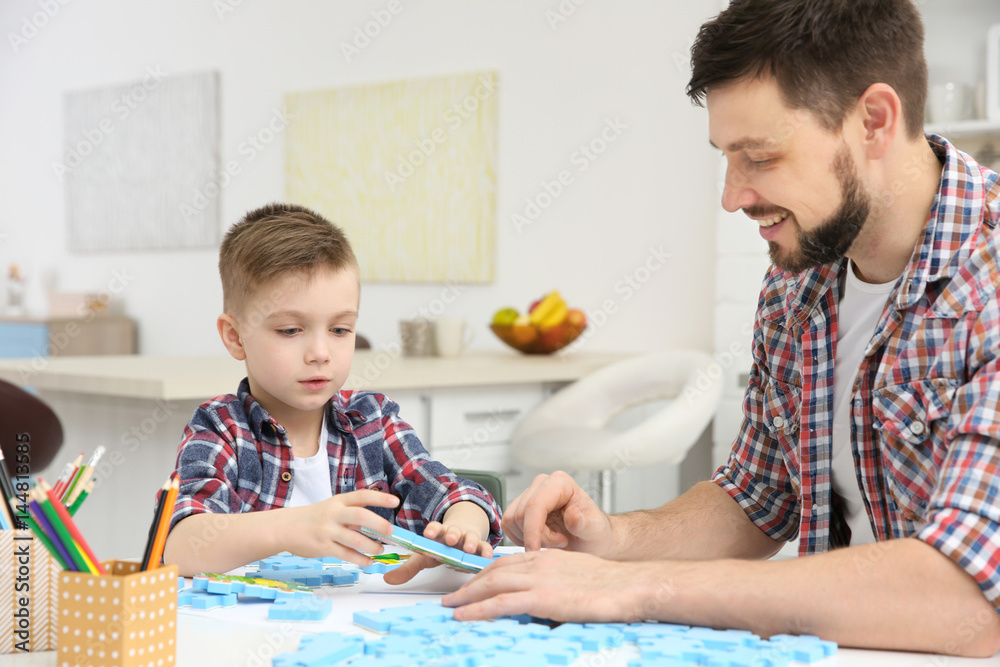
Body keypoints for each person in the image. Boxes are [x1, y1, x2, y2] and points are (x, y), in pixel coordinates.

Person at [443, 0, 1000, 657]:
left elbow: (963, 595)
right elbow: (754, 500)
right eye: (726, 158)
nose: (732, 195)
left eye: (759, 157)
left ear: (874, 121)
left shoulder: (985, 277)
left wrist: (633, 588)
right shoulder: (801, 279)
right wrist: (611, 540)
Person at [163, 203, 502, 582]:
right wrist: (292, 527)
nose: (320, 353)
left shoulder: (372, 420)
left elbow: (454, 493)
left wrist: (463, 528)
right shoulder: (221, 427)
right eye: (291, 330)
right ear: (235, 336)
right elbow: (179, 546)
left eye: (340, 330)